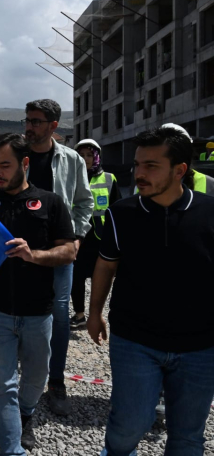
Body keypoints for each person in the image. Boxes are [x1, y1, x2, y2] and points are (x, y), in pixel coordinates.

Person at [88, 127, 214, 456]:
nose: (139, 173)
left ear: (179, 170)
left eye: (151, 166)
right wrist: (94, 313)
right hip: (135, 341)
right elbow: (106, 266)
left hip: (200, 347)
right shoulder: (122, 213)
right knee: (128, 426)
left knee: (188, 436)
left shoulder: (210, 213)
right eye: (137, 164)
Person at [0, 133, 76, 454]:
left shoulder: (51, 203)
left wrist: (33, 255)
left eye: (5, 165)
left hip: (38, 312)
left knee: (36, 379)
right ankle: (12, 448)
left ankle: (25, 415)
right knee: (3, 385)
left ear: (25, 163)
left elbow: (69, 252)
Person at [22, 99, 93, 416]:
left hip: (58, 252)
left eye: (36, 121)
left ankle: (56, 381)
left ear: (53, 126)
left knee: (59, 316)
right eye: (27, 120)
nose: (29, 127)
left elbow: (84, 202)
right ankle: (27, 376)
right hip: (19, 251)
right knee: (21, 311)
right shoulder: (17, 156)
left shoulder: (71, 159)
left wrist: (75, 238)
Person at [69, 139, 120, 329]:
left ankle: (96, 314)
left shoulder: (109, 178)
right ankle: (80, 314)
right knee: (76, 277)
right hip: (78, 236)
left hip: (101, 238)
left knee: (101, 277)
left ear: (96, 156)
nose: (85, 159)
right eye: (81, 155)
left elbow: (117, 208)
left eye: (89, 155)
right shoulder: (70, 178)